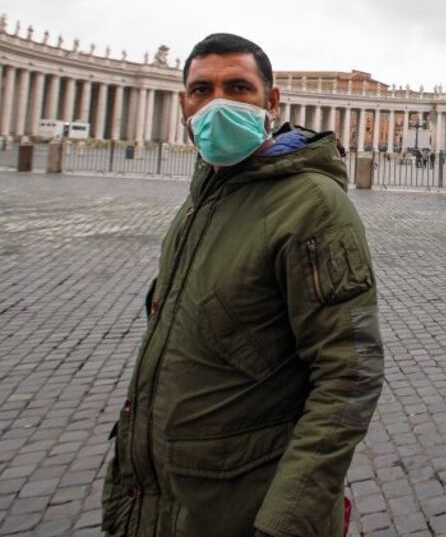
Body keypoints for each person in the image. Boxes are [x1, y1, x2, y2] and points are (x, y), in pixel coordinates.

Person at [101, 33, 384, 537]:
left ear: (271, 101)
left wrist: (284, 521)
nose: (217, 104)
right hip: (168, 499)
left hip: (247, 505)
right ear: (184, 105)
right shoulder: (203, 197)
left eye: (237, 88)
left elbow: (350, 373)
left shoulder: (313, 206)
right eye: (201, 90)